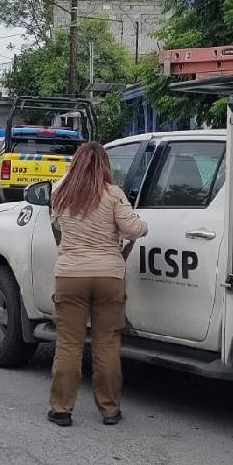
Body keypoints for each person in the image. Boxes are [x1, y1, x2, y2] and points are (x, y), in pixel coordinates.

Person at [47, 142, 148, 427]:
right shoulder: (114, 195)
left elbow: (56, 224)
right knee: (106, 343)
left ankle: (61, 409)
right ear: (105, 165)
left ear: (76, 164)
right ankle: (110, 410)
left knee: (68, 344)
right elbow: (133, 229)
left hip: (70, 276)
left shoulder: (61, 193)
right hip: (109, 277)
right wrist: (142, 225)